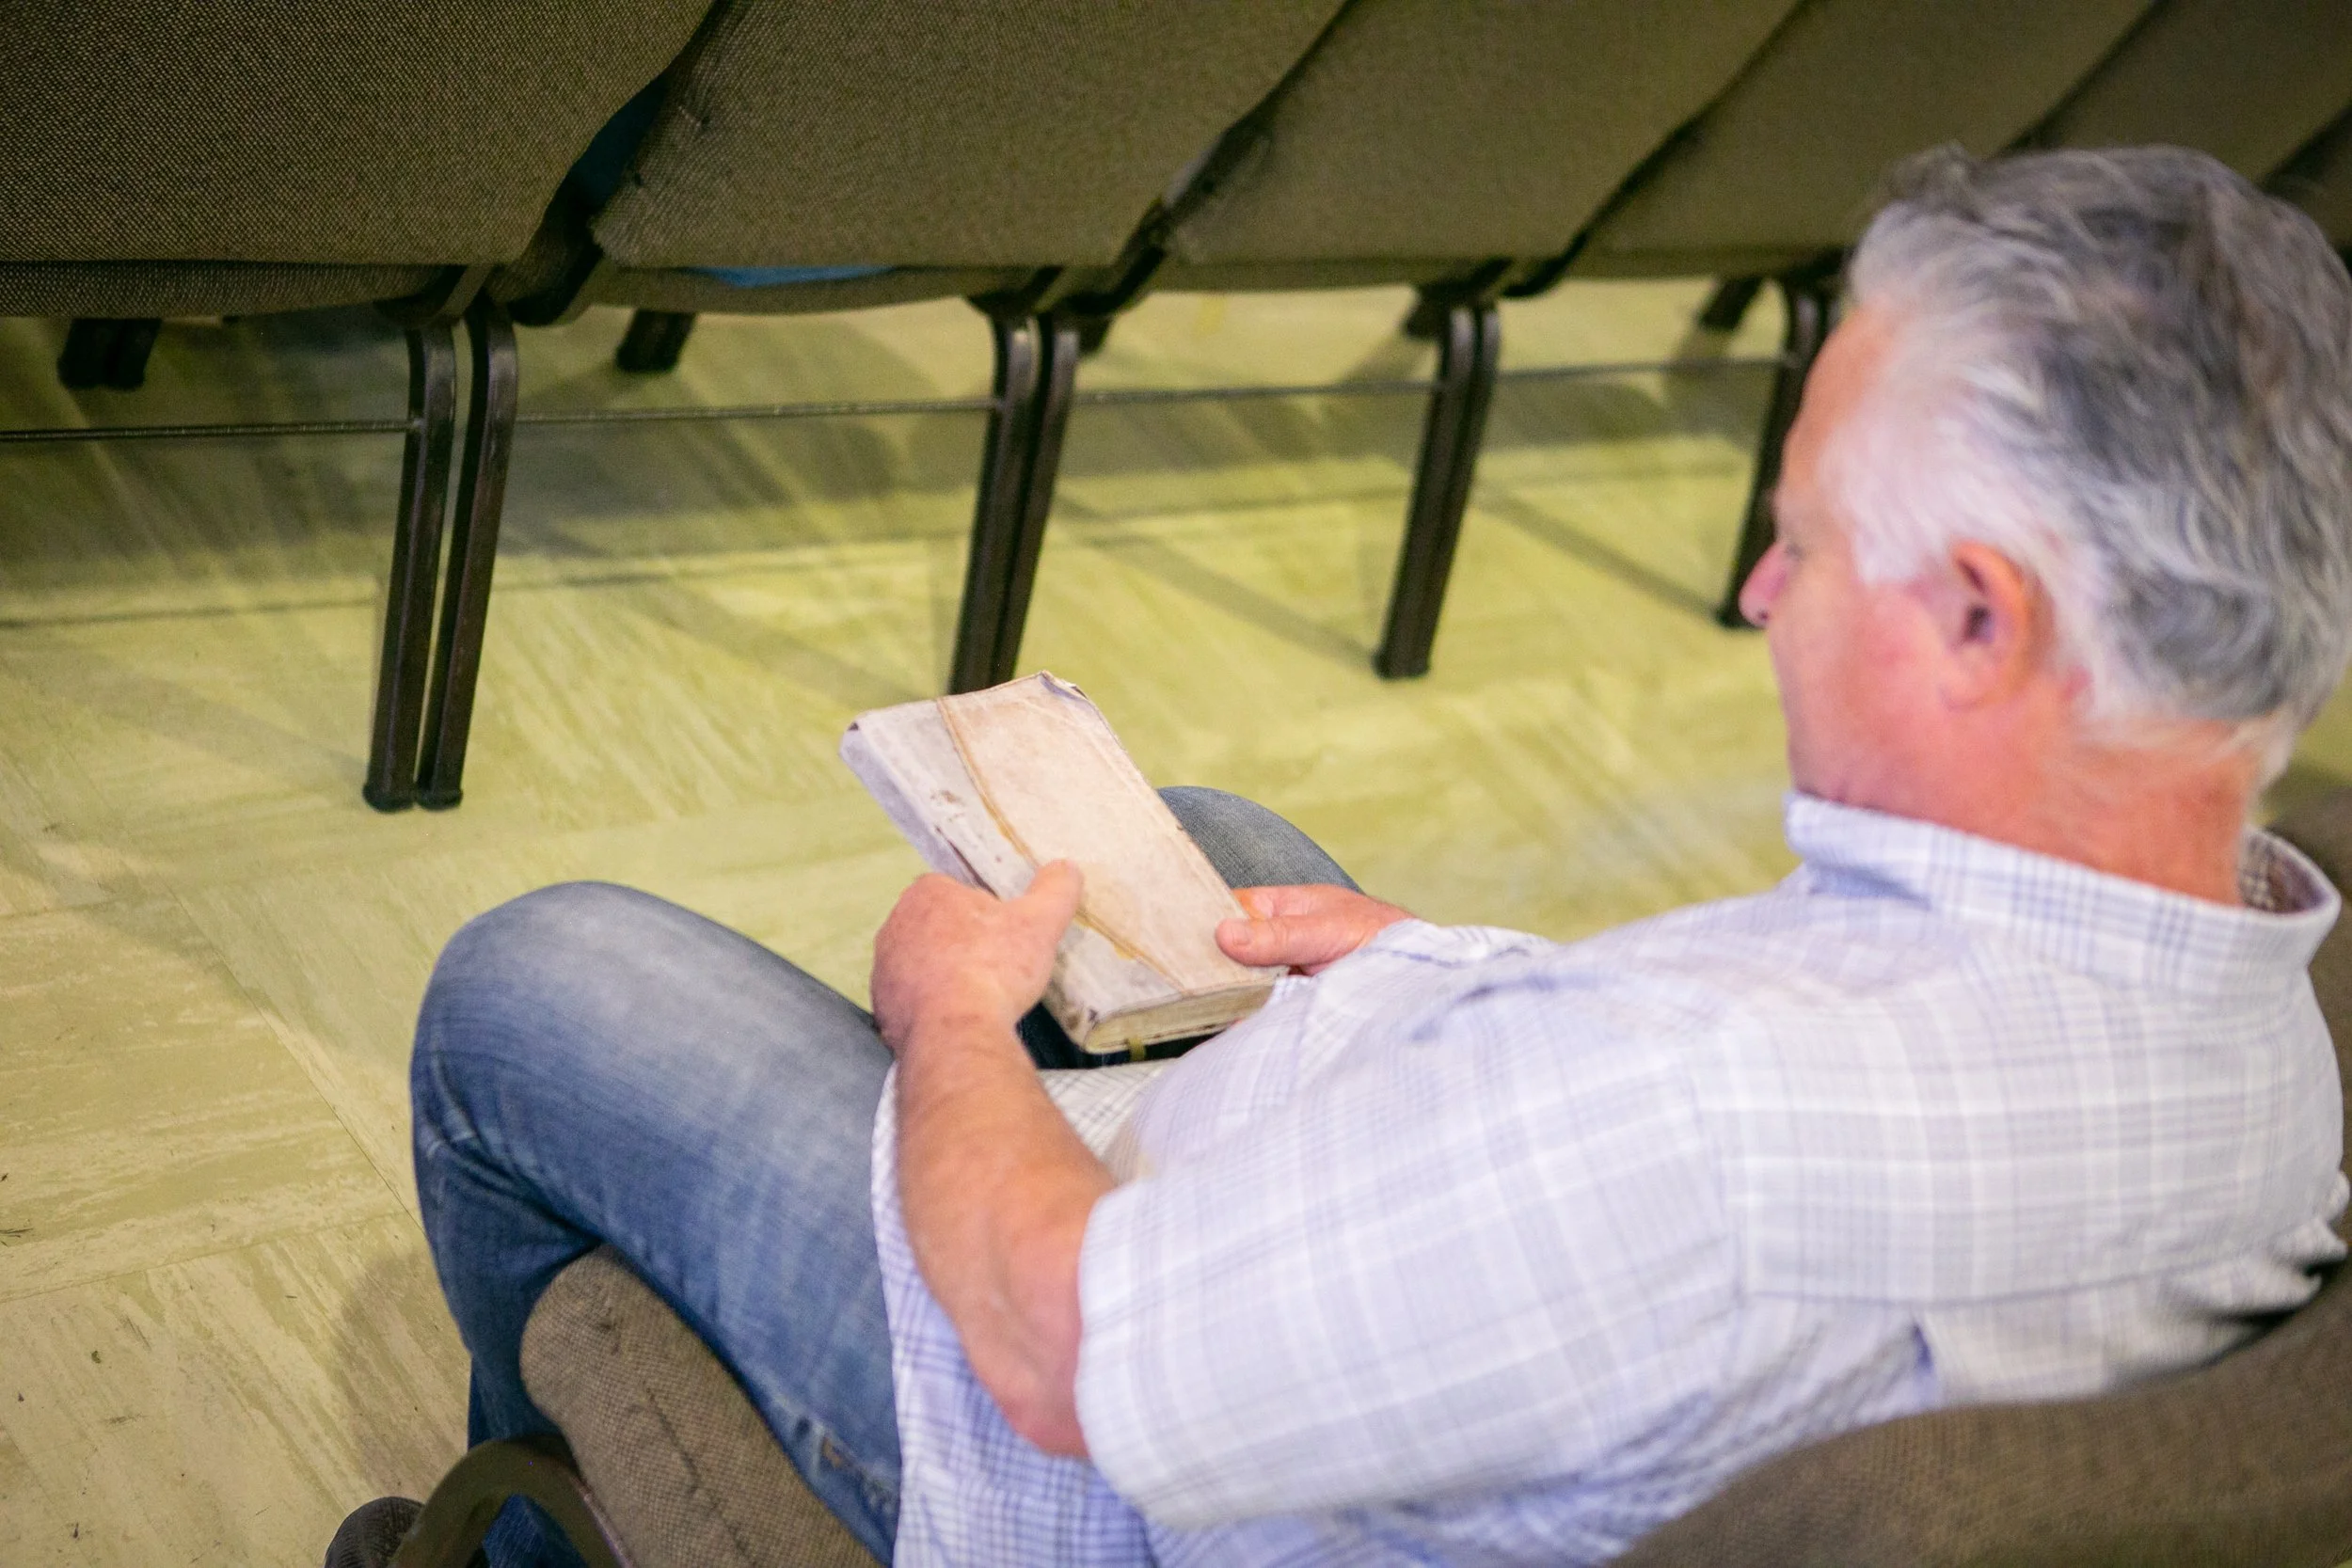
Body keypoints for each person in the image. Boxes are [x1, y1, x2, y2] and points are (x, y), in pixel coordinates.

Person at [330, 144, 2352, 1567]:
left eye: (1804, 538)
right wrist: (1444, 969)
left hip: (1100, 1446)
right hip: (1492, 1298)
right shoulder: (2272, 1012)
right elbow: (1685, 1128)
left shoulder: (1689, 1114)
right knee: (1212, 852)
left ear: (1983, 617)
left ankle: (534, 1529)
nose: (1756, 591)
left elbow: (1063, 1348)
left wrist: (944, 1027)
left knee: (535, 977)